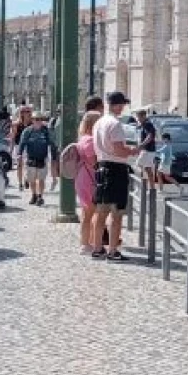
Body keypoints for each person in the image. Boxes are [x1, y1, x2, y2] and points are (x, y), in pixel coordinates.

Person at [90, 90, 133, 260]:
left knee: (101, 212)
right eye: (122, 104)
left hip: (102, 167)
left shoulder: (98, 123)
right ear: (117, 105)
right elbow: (118, 150)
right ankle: (113, 250)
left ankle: (97, 248)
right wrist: (132, 151)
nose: (123, 107)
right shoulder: (115, 124)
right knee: (116, 213)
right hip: (116, 169)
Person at [71, 109, 100, 253]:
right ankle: (87, 243)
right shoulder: (90, 140)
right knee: (91, 212)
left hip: (83, 176)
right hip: (90, 178)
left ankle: (88, 242)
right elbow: (95, 162)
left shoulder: (82, 138)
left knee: (87, 212)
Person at [17, 113, 58, 207]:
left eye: (40, 119)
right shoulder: (27, 131)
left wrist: (54, 156)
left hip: (42, 159)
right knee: (32, 180)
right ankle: (34, 195)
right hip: (30, 158)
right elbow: (22, 143)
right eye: (36, 119)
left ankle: (40, 196)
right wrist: (19, 154)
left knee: (41, 179)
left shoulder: (45, 131)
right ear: (32, 120)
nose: (38, 121)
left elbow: (52, 143)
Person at [10, 104, 34, 188]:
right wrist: (11, 150)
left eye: (28, 111)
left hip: (30, 147)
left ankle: (26, 179)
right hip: (19, 146)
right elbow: (12, 137)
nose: (27, 113)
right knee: (20, 165)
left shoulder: (32, 124)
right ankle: (20, 183)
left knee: (28, 164)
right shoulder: (16, 124)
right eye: (24, 111)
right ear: (21, 113)